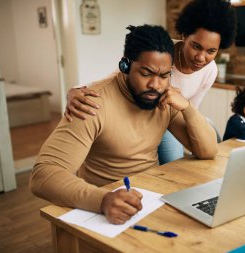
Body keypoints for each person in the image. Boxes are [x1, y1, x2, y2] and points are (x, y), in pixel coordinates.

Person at [29, 24, 218, 225]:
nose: (156, 85)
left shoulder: (165, 98)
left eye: (164, 75)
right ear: (124, 66)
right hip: (109, 209)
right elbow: (43, 175)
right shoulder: (90, 103)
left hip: (153, 201)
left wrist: (187, 107)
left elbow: (208, 151)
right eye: (146, 73)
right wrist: (101, 200)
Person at [63, 0, 237, 165]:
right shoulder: (162, 51)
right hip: (143, 116)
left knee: (184, 159)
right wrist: (78, 89)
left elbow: (191, 109)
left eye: (211, 51)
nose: (201, 57)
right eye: (196, 46)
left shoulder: (211, 70)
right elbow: (121, 74)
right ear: (184, 35)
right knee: (163, 162)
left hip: (171, 120)